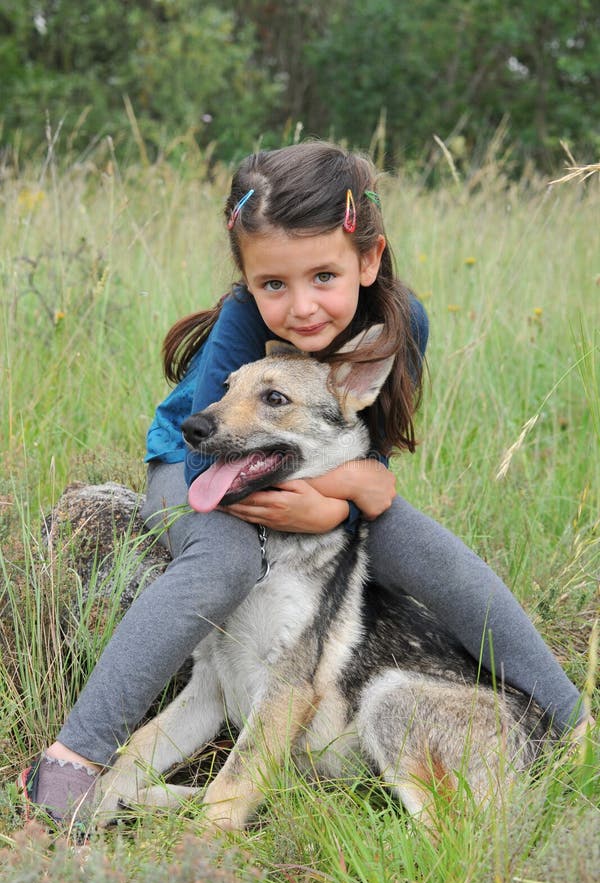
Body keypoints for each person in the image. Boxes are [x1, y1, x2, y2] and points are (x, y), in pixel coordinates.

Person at [20, 141, 589, 825]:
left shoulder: (400, 327)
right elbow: (209, 448)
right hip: (191, 468)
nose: (301, 308)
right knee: (227, 559)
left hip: (305, 467)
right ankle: (76, 756)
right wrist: (332, 506)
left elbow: (347, 436)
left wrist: (348, 497)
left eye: (324, 276)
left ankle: (571, 720)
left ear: (368, 259)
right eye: (273, 286)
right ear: (247, 283)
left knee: (425, 546)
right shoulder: (241, 323)